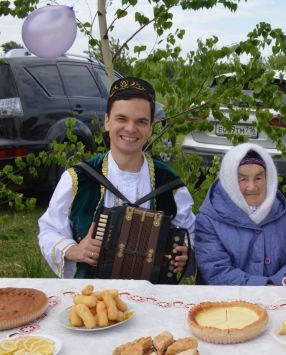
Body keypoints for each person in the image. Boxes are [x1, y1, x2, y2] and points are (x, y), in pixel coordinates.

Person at [38, 77, 194, 279]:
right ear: (107, 121)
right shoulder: (78, 178)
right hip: (92, 297)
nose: (130, 129)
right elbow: (49, 230)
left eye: (141, 121)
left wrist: (185, 252)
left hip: (152, 296)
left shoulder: (169, 183)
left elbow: (191, 234)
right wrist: (72, 250)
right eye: (122, 119)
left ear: (151, 127)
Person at [194, 144, 286, 285]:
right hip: (227, 303)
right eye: (243, 179)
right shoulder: (209, 219)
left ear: (269, 179)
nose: (252, 187)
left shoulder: (278, 211)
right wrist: (267, 286)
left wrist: (276, 282)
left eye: (258, 178)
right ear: (230, 182)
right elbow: (217, 272)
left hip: (276, 298)